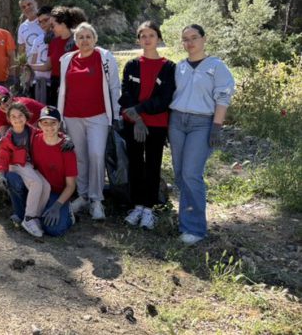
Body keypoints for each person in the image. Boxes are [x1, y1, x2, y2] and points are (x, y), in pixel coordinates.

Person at [168, 24, 235, 245]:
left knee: (191, 173)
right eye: (185, 39)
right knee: (180, 174)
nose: (190, 43)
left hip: (202, 123)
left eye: (194, 37)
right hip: (177, 122)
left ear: (204, 39)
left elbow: (223, 97)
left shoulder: (216, 66)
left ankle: (195, 228)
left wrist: (216, 126)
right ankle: (185, 220)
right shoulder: (180, 67)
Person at [58, 21, 121, 220]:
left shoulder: (104, 58)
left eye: (88, 37)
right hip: (72, 116)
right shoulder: (67, 60)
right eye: (80, 37)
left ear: (95, 39)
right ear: (75, 40)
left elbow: (114, 88)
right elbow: (63, 89)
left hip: (98, 116)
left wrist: (116, 115)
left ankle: (96, 199)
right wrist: (60, 117)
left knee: (96, 155)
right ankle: (83, 195)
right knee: (80, 157)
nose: (84, 40)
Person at [118, 22, 176, 230]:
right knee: (135, 164)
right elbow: (125, 95)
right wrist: (138, 120)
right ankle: (137, 206)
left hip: (157, 124)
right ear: (138, 40)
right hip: (133, 123)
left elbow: (164, 99)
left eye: (151, 35)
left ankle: (149, 209)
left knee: (153, 164)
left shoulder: (169, 67)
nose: (147, 39)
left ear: (158, 38)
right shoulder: (132, 65)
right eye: (143, 36)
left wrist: (140, 111)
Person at [6, 106, 78, 237]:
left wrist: (57, 206)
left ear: (59, 124)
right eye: (45, 122)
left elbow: (71, 185)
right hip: (36, 187)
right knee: (13, 177)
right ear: (39, 124)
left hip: (56, 194)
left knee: (54, 230)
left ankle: (67, 211)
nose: (49, 127)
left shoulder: (66, 149)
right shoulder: (34, 139)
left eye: (53, 123)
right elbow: (15, 133)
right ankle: (24, 216)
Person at [0, 103, 51, 238]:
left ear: (26, 116)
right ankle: (29, 218)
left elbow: (48, 133)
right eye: (13, 116)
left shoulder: (32, 131)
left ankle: (36, 216)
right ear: (9, 119)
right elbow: (3, 157)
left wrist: (65, 138)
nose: (17, 119)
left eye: (20, 115)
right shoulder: (8, 138)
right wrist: (1, 175)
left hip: (30, 165)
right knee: (36, 183)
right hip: (17, 164)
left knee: (46, 186)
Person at [44, 6, 78, 106]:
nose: (51, 29)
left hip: (72, 85)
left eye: (52, 25)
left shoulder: (79, 42)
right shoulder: (53, 42)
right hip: (55, 85)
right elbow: (48, 66)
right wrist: (29, 66)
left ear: (63, 24)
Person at [27, 5, 54, 103]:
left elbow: (48, 66)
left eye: (46, 20)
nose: (43, 24)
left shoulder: (59, 38)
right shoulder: (37, 40)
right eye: (40, 22)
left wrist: (30, 66)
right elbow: (33, 62)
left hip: (53, 84)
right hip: (37, 84)